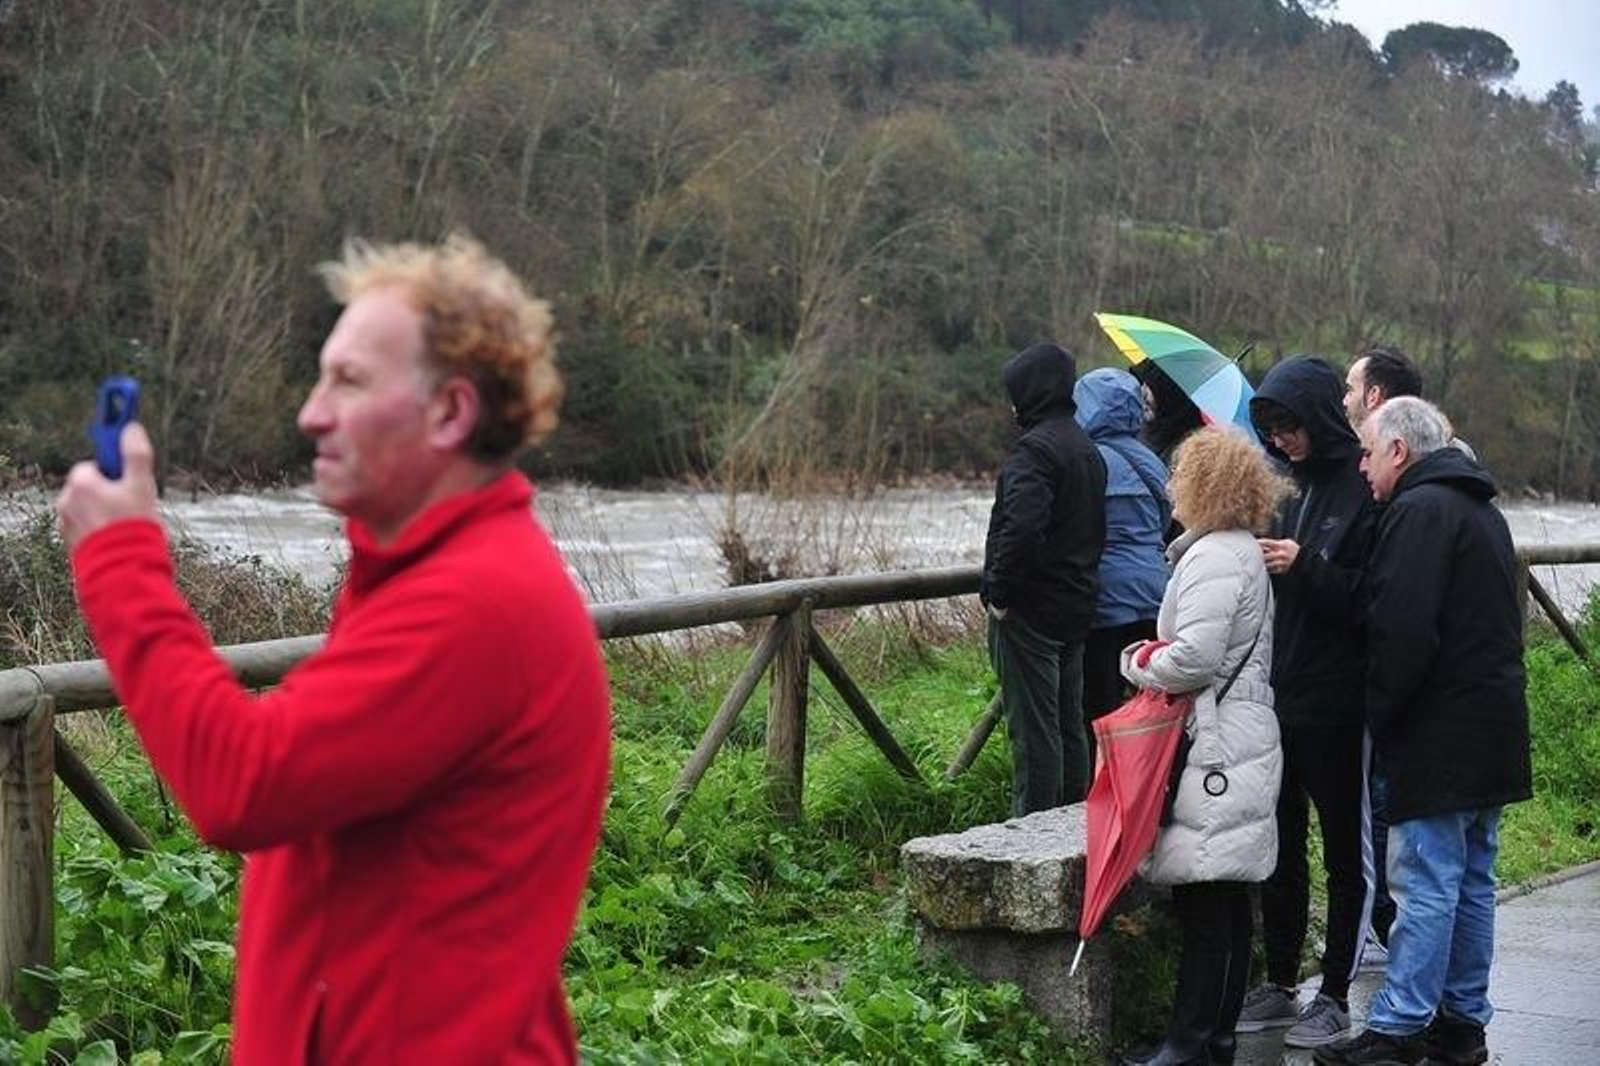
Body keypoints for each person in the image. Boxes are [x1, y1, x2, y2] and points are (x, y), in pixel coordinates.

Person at [55, 236, 613, 1064]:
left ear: (450, 413)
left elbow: (244, 783)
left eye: (348, 381)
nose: (311, 413)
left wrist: (121, 561)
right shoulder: (425, 573)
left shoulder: (475, 602)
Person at [1316, 397, 1532, 1066]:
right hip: (1491, 724)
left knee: (1427, 882)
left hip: (1437, 729)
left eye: (1369, 451)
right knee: (1471, 880)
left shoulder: (1416, 512)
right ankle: (1463, 1023)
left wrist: (1382, 710)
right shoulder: (1479, 508)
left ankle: (1400, 1027)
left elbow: (1401, 630)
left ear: (1400, 452)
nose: (1361, 463)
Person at [1119, 427, 1287, 1066]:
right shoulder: (1238, 549)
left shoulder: (1214, 556)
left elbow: (1191, 661)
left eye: (1177, 475)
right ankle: (1213, 1039)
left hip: (1217, 744)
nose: (1169, 487)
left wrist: (1136, 660)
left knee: (1204, 898)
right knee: (1225, 899)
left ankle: (1187, 1046)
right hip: (1238, 735)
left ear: (1203, 485)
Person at [1237, 357, 1379, 1049]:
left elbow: (1377, 598)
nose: (1281, 440)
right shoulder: (1286, 487)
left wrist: (1307, 567)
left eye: (1289, 426)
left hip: (1340, 701)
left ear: (1320, 417)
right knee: (1280, 843)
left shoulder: (1366, 484)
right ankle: (1282, 979)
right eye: (1270, 429)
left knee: (1344, 851)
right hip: (1281, 693)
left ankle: (1335, 993)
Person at [980, 341, 1107, 815]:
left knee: (1034, 733)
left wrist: (1000, 591)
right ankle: (1075, 826)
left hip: (1030, 612)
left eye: (1014, 394)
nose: (1011, 405)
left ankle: (1031, 837)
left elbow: (1022, 528)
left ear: (1029, 394)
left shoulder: (1035, 452)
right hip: (1076, 605)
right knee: (1069, 725)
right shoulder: (1086, 447)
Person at [1073, 367, 1171, 767]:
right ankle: (1150, 779)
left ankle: (1104, 787)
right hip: (1154, 594)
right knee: (1152, 705)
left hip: (1105, 599)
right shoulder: (1148, 459)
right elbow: (1167, 518)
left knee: (1100, 705)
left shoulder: (1087, 460)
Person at [1344, 345, 1476, 460]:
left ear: (1373, 395)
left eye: (1350, 390)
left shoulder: (1360, 463)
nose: (1344, 401)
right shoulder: (1459, 454)